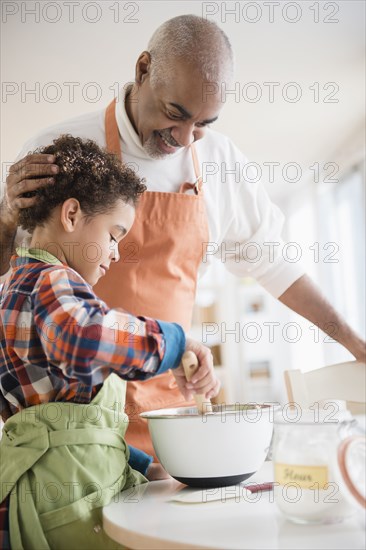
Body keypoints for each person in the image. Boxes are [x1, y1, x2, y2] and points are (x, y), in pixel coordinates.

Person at [0, 15, 365, 458]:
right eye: (175, 114)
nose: (185, 137)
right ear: (142, 70)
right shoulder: (58, 149)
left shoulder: (220, 162)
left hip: (169, 422)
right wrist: (5, 219)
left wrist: (354, 342)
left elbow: (278, 266)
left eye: (204, 123)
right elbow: (19, 288)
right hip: (70, 435)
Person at [0, 134, 219, 549]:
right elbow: (85, 339)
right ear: (71, 215)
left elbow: (67, 423)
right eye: (114, 234)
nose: (116, 253)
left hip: (55, 485)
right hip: (72, 500)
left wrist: (140, 464)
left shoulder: (13, 284)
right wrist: (175, 343)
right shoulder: (50, 283)